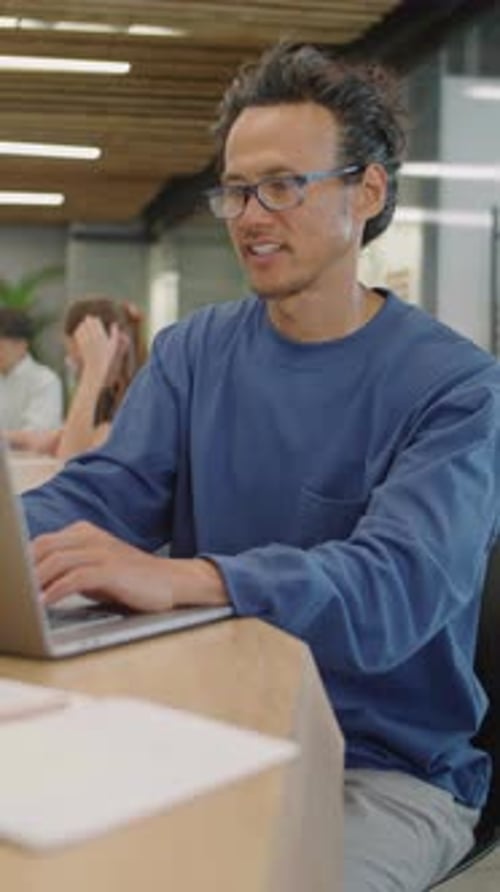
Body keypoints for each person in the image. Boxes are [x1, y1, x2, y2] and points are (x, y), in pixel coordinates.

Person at [21, 43, 500, 891]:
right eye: (237, 190)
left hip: (380, 769)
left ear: (367, 192)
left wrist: (192, 578)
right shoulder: (194, 351)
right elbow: (106, 493)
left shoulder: (457, 387)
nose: (249, 215)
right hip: (204, 728)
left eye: (282, 185)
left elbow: (395, 588)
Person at [12, 296, 145, 461]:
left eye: (81, 361)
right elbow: (47, 439)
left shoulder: (141, 404)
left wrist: (94, 369)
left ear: (119, 345)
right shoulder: (107, 396)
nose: (77, 371)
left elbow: (69, 460)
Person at [0, 306, 63, 444]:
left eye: (1, 347)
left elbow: (36, 435)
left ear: (22, 345)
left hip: (31, 457)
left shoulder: (45, 381)